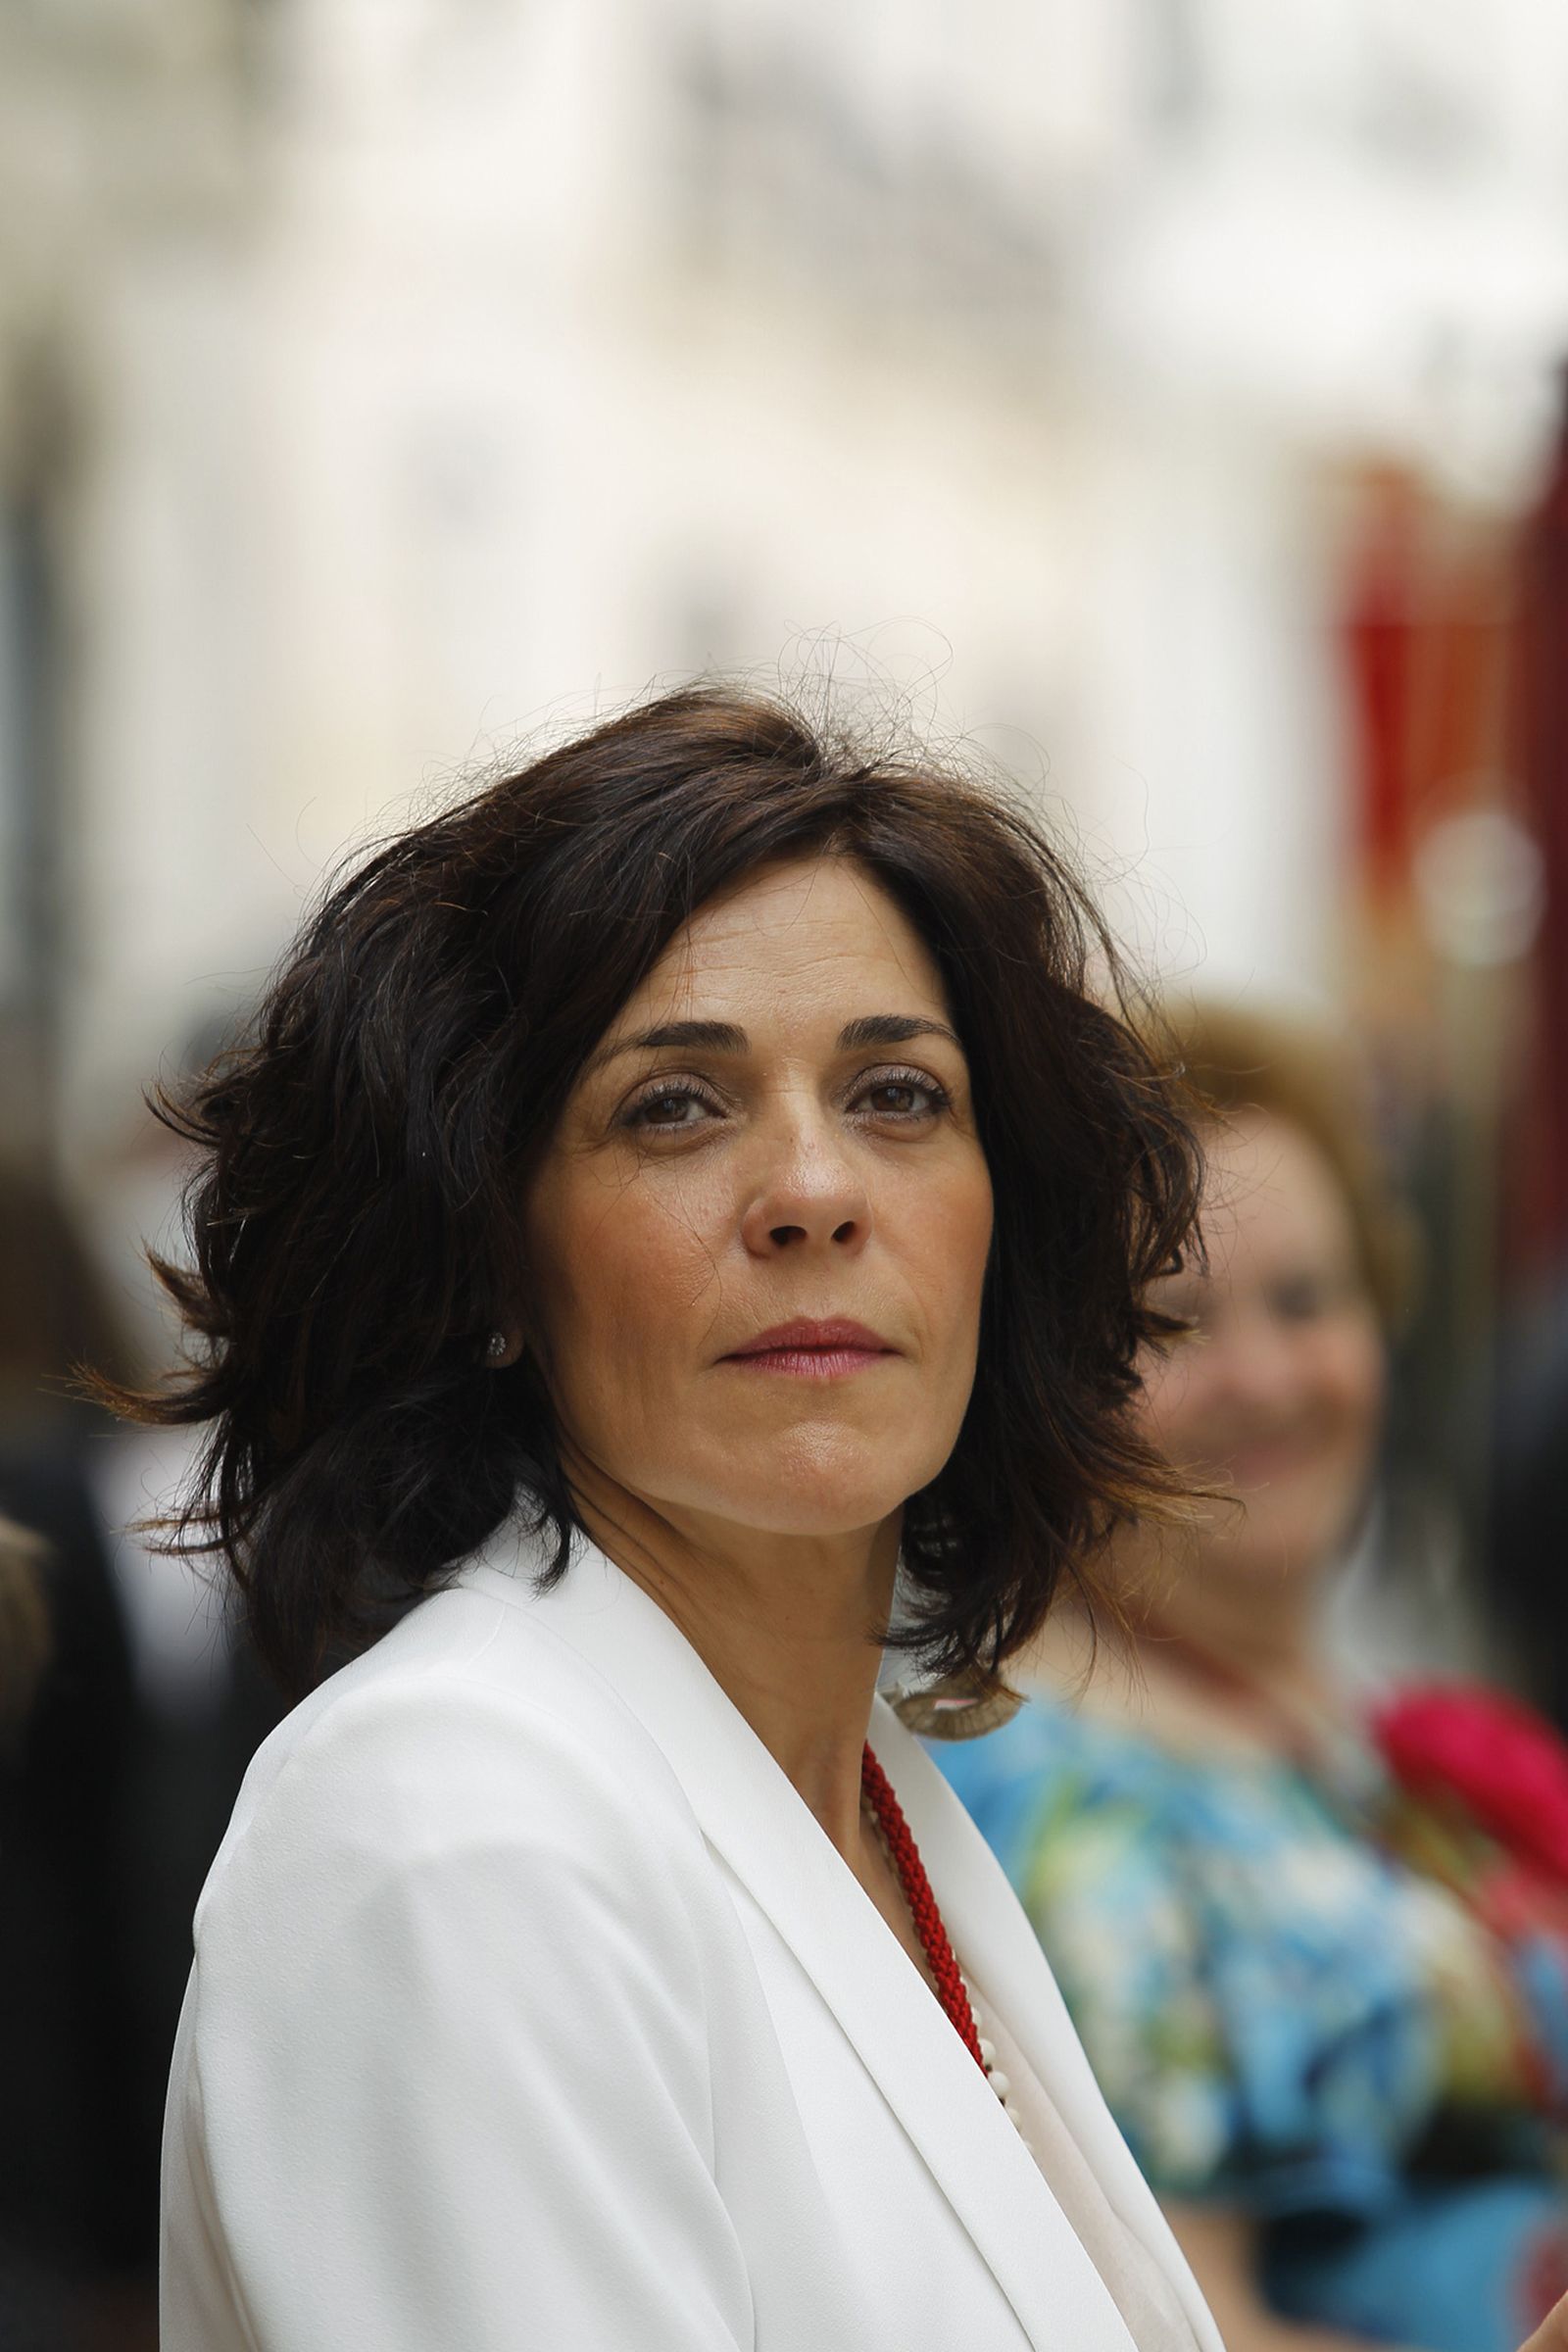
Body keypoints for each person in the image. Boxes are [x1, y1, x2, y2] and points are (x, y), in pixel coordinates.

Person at [113, 684, 1228, 2351]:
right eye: (675, 1107)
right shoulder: (454, 1824)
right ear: (494, 1258)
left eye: (897, 1094)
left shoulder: (861, 1799)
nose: (814, 1192)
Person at [938, 1003, 1568, 2352]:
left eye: (1306, 1301)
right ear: (1052, 1384)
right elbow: (1187, 2332)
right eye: (1174, 1324)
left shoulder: (1376, 1732)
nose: (1266, 1378)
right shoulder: (1053, 1803)